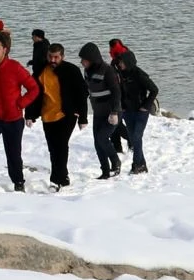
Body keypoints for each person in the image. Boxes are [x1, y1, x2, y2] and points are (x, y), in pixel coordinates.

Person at [0, 31, 38, 191]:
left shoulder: (15, 67)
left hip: (14, 118)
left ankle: (18, 182)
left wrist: (21, 104)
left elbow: (33, 88)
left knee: (13, 153)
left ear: (5, 50)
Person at [24, 42, 87, 189]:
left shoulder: (71, 70)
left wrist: (82, 116)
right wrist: (29, 114)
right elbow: (34, 94)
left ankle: (58, 179)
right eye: (50, 57)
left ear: (62, 57)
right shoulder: (40, 71)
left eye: (56, 57)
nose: (53, 60)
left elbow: (82, 93)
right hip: (47, 115)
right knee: (53, 148)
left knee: (61, 145)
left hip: (67, 114)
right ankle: (61, 176)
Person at [77, 42, 124, 179]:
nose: (82, 62)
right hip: (98, 112)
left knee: (102, 137)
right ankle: (104, 171)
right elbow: (87, 90)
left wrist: (115, 112)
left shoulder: (108, 71)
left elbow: (116, 92)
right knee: (98, 143)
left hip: (111, 113)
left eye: (84, 59)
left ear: (92, 59)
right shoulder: (87, 72)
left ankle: (115, 161)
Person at [114, 49, 159, 175]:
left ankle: (136, 165)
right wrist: (122, 106)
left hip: (141, 111)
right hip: (127, 111)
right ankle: (142, 165)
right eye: (119, 63)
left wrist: (146, 105)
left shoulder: (140, 74)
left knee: (136, 136)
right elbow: (121, 92)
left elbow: (154, 90)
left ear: (128, 62)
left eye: (121, 62)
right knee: (134, 139)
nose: (120, 65)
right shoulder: (121, 74)